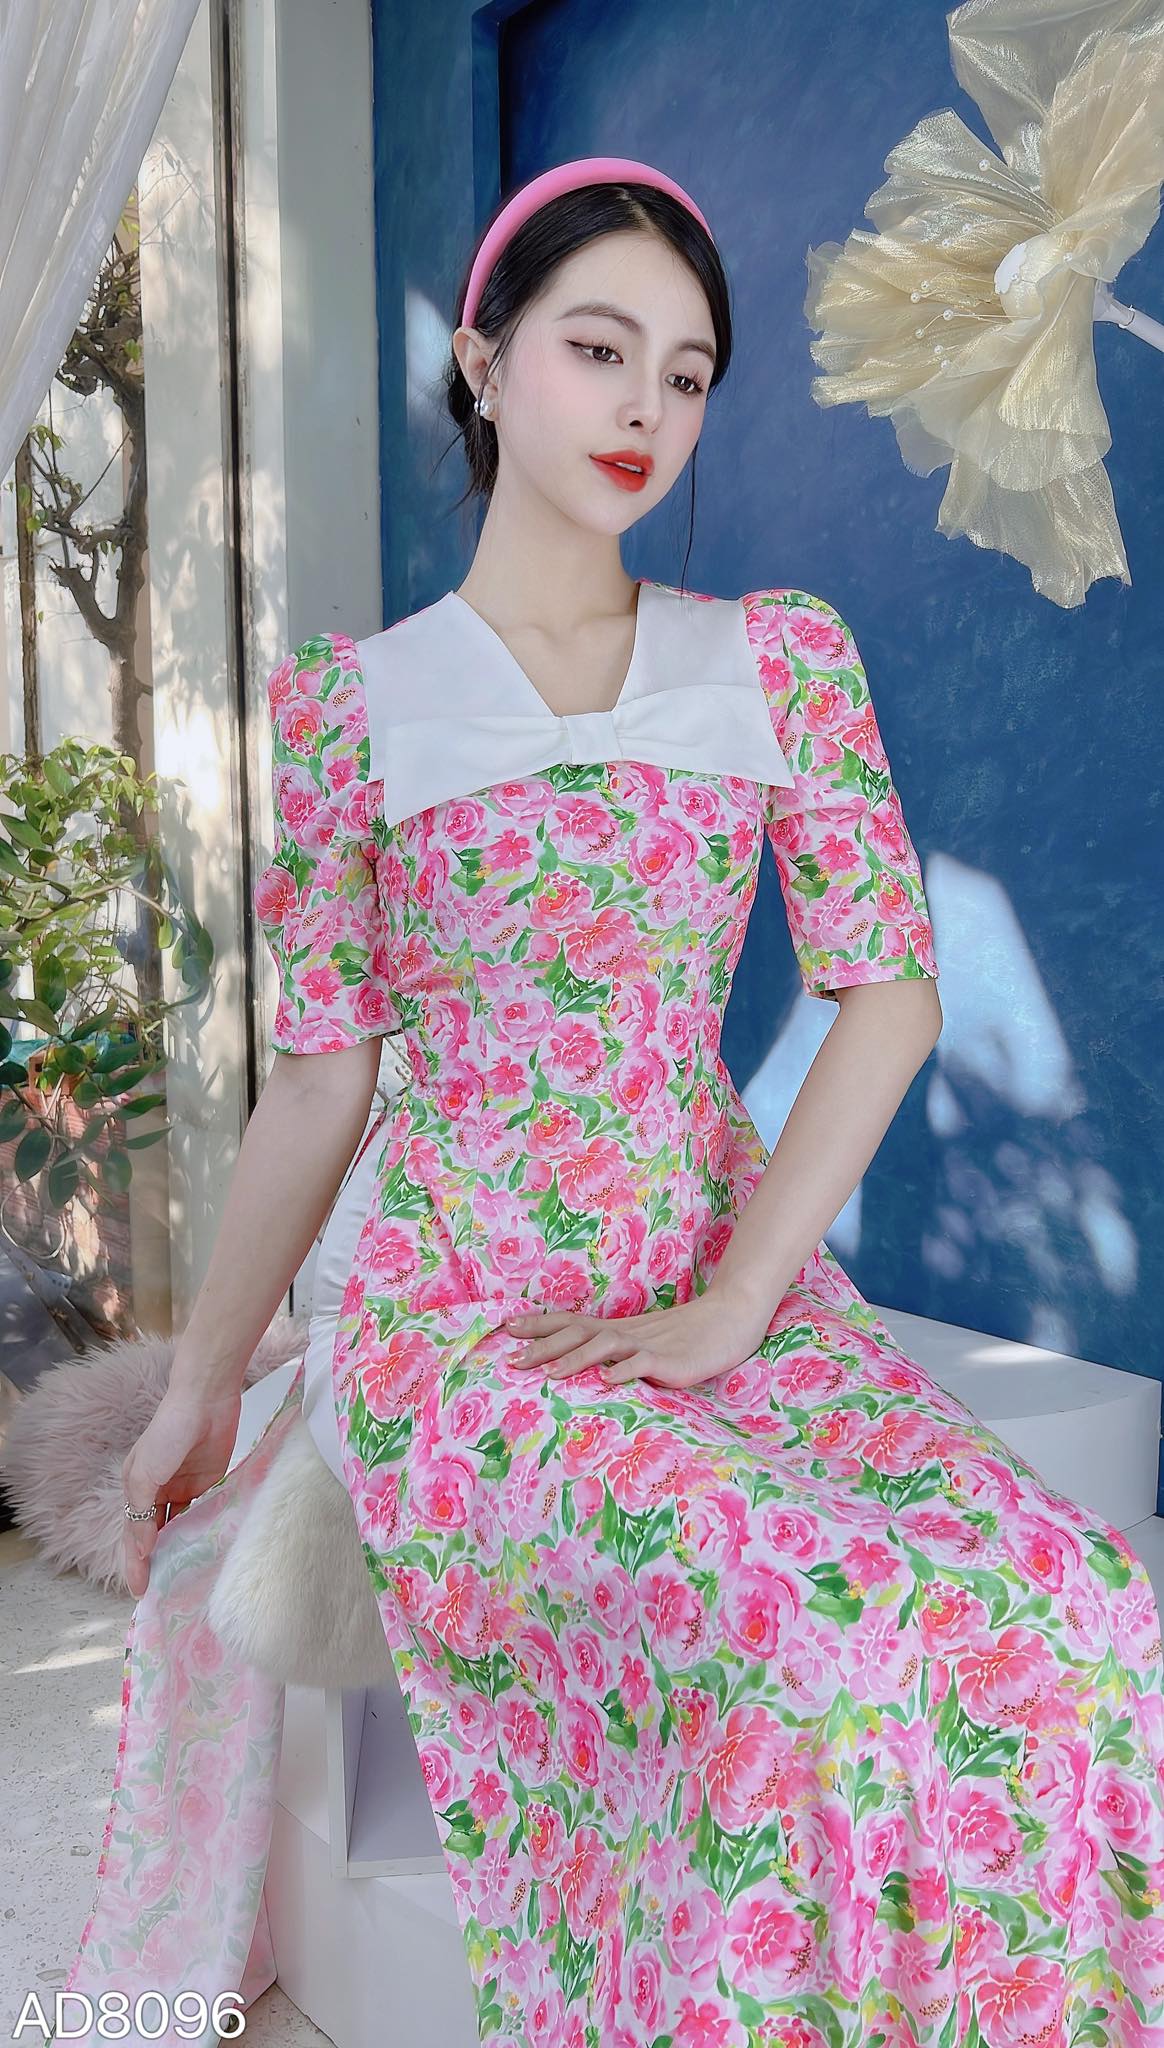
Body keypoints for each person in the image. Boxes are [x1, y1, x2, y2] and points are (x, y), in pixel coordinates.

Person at [55, 157, 1164, 2048]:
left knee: (1072, 1610)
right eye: (598, 349)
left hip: (718, 1281)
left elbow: (890, 997)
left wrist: (734, 1303)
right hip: (465, 1318)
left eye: (688, 371)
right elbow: (321, 1082)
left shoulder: (779, 659)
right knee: (797, 1619)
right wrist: (199, 1388)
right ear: (485, 363)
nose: (649, 405)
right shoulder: (350, 710)